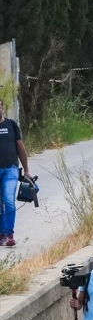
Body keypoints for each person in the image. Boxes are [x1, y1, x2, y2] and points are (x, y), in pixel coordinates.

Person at [0, 95, 32, 246]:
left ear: (2, 108)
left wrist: (26, 170)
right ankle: (1, 235)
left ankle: (9, 234)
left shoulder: (11, 125)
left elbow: (21, 147)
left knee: (8, 200)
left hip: (10, 170)